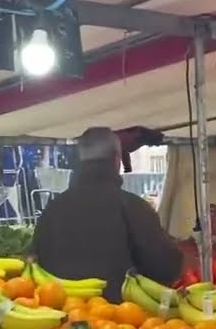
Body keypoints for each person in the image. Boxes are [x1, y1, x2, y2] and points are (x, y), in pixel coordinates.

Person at [30, 127, 182, 302]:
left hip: (62, 318)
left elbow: (35, 264)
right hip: (120, 321)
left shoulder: (52, 210)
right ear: (117, 160)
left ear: (82, 159)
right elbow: (165, 267)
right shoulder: (132, 207)